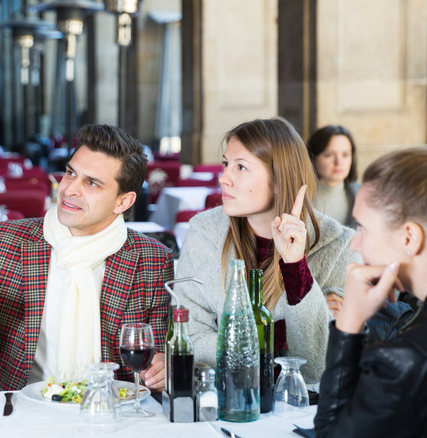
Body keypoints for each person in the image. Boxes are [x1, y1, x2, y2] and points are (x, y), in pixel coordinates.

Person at [0, 124, 173, 391]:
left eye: (91, 183)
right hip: (18, 415)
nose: (69, 189)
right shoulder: (2, 243)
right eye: (71, 173)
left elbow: (158, 360)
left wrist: (163, 369)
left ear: (123, 202)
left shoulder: (152, 261)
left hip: (110, 417)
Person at [171, 118, 359, 384]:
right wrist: (276, 338)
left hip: (299, 413)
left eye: (241, 167)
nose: (223, 178)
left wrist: (295, 266)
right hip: (222, 400)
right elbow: (189, 338)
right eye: (226, 164)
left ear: (279, 180)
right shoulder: (204, 232)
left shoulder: (340, 246)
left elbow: (315, 364)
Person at [314, 147, 427, 437]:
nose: (354, 244)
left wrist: (348, 325)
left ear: (409, 237)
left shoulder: (402, 361)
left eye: (362, 227)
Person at [306, 125, 360, 228]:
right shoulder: (298, 197)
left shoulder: (363, 196)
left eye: (345, 155)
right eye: (329, 155)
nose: (338, 162)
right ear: (313, 158)